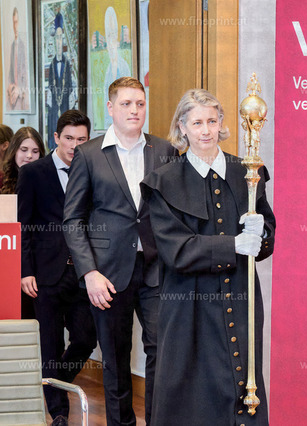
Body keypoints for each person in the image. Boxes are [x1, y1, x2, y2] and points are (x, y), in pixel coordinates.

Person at [141, 89, 275, 425]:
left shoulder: (246, 172)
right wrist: (233, 245)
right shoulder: (163, 181)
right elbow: (176, 250)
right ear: (182, 127)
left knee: (242, 383)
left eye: (212, 121)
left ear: (221, 124)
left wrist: (261, 232)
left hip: (241, 297)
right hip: (189, 306)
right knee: (193, 392)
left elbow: (266, 242)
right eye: (197, 123)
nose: (206, 130)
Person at [63, 77, 177, 425]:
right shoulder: (88, 154)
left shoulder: (164, 151)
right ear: (110, 108)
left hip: (156, 269)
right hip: (107, 274)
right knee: (114, 357)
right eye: (126, 104)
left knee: (163, 352)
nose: (134, 110)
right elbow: (73, 219)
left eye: (140, 103)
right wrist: (89, 272)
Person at [17, 110, 96, 426]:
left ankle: (54, 382)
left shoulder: (93, 169)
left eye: (82, 139)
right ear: (56, 137)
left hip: (83, 272)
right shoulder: (33, 173)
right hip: (45, 273)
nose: (74, 145)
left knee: (86, 339)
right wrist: (25, 270)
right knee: (50, 345)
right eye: (68, 138)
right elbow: (24, 225)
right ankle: (59, 413)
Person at [1, 127, 45, 320]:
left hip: (37, 263)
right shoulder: (2, 180)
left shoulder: (46, 182)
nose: (29, 156)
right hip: (6, 260)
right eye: (24, 150)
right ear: (13, 151)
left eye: (35, 151)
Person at [47, 13, 74, 151]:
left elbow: (69, 83)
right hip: (54, 101)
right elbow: (50, 84)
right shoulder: (52, 64)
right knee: (53, 121)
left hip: (64, 101)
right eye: (57, 38)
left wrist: (70, 95)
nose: (59, 41)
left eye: (60, 38)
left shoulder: (66, 63)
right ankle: (52, 146)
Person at [102, 6, 131, 129]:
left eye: (113, 35)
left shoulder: (124, 66)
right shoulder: (106, 70)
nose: (111, 41)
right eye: (109, 36)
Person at [6, 7, 29, 111]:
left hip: (22, 96)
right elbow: (10, 74)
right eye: (13, 23)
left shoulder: (24, 46)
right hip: (14, 96)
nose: (15, 26)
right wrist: (11, 87)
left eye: (16, 22)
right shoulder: (12, 46)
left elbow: (27, 75)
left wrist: (19, 89)